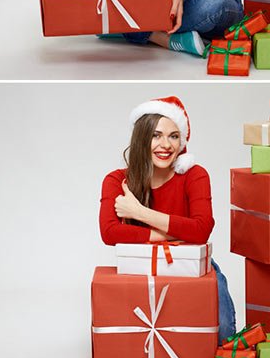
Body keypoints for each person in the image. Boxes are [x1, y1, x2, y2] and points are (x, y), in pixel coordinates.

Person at [99, 95, 236, 339]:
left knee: (224, 333)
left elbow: (202, 230)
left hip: (191, 267)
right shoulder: (115, 180)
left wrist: (139, 213)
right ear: (141, 138)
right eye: (156, 135)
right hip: (141, 268)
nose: (166, 145)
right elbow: (109, 233)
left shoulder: (195, 175)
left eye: (174, 136)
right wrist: (172, 234)